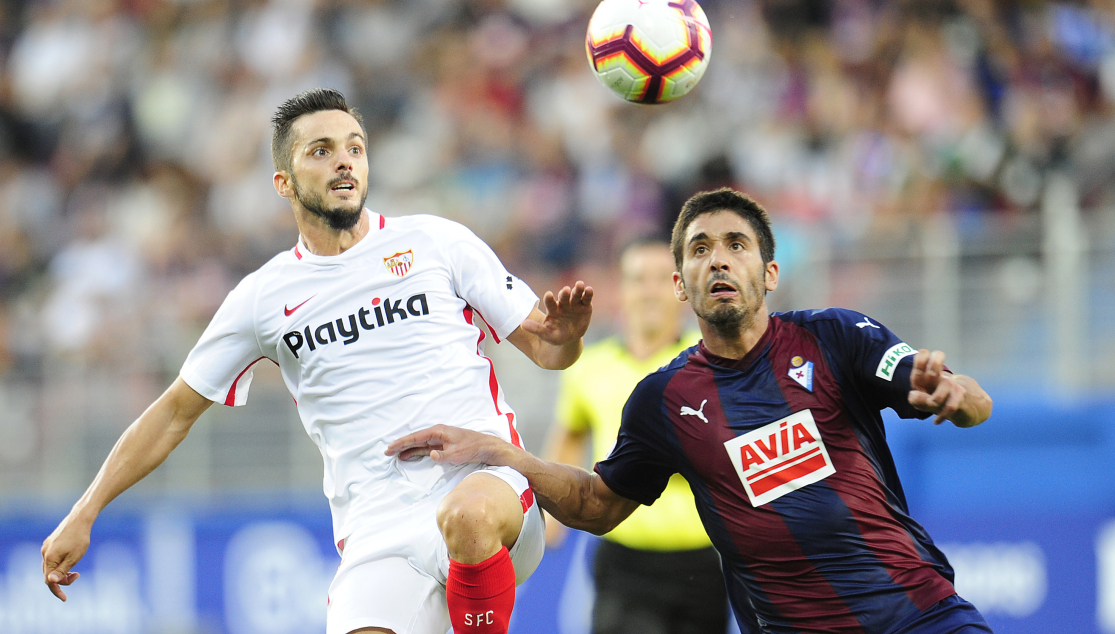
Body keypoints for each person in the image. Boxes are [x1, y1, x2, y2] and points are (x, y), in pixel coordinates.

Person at [39, 88, 594, 634]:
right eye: (321, 150)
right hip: (378, 526)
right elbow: (173, 413)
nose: (344, 161)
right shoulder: (262, 298)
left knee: (467, 517)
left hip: (486, 488)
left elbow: (548, 350)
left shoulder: (436, 242)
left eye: (355, 147)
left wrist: (565, 337)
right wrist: (85, 511)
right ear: (284, 182)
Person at [387, 187, 996, 634]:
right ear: (681, 284)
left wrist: (957, 396)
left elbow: (969, 399)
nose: (719, 260)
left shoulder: (835, 337)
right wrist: (503, 454)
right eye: (700, 249)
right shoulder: (663, 400)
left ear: (771, 271)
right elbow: (597, 506)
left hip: (921, 613)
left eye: (737, 245)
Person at [545, 238, 727, 634]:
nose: (648, 290)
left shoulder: (713, 367)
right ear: (620, 290)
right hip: (624, 560)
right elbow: (570, 433)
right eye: (637, 279)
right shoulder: (589, 368)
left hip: (705, 560)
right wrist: (550, 513)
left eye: (661, 278)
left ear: (681, 288)